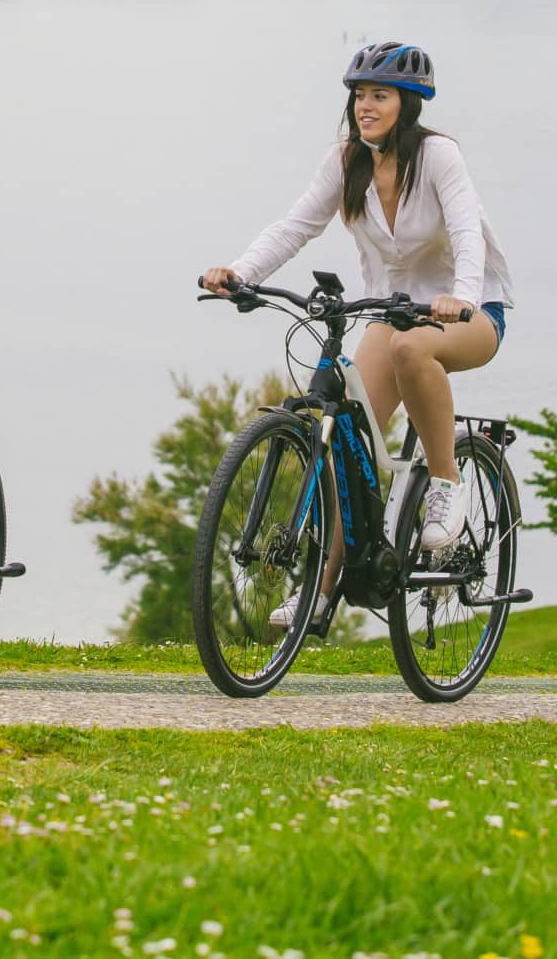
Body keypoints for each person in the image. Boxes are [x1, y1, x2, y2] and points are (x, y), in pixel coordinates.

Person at [201, 40, 512, 623]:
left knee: (412, 347)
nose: (365, 106)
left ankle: (446, 482)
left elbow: (468, 233)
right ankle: (320, 590)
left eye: (380, 96)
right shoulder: (346, 161)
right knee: (346, 443)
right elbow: (296, 226)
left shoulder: (439, 156)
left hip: (470, 316)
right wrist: (240, 273)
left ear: (410, 104)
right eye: (359, 96)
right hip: (391, 313)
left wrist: (463, 296)